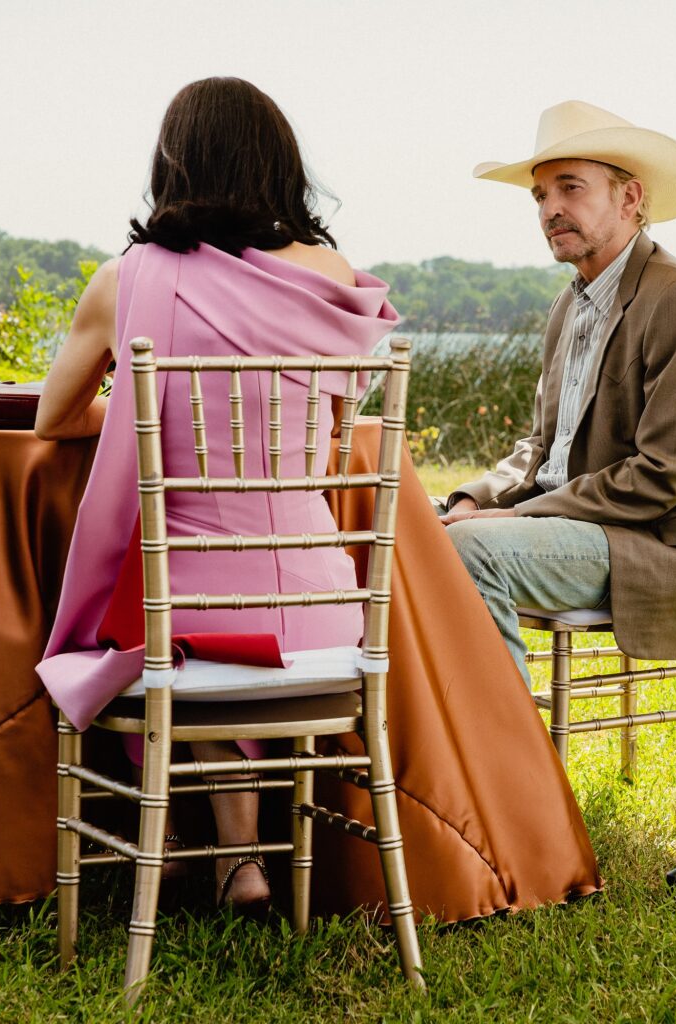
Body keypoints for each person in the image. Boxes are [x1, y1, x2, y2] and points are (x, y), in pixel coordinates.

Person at [35, 77, 398, 913]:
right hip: (324, 610)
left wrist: (144, 409)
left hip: (193, 612)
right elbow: (332, 431)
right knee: (196, 611)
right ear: (279, 165)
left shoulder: (126, 280)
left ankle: (169, 841)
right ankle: (238, 859)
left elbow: (54, 418)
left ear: (173, 163)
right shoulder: (332, 276)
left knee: (162, 607)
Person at [442, 100, 676, 687]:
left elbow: (663, 474)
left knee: (471, 548)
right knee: (404, 529)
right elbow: (541, 449)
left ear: (629, 198)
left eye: (570, 188)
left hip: (658, 546)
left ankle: (502, 743)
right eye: (540, 196)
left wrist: (516, 517)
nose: (550, 209)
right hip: (576, 526)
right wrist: (473, 500)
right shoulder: (569, 303)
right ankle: (430, 732)